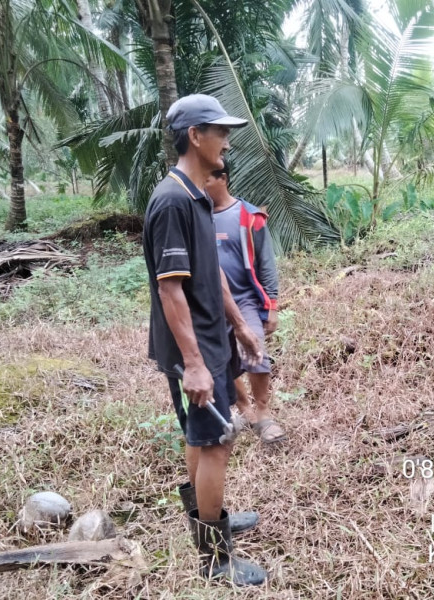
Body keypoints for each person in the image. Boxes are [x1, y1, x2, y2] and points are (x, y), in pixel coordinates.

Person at [142, 93, 267, 585]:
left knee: (202, 436)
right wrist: (194, 364)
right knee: (216, 441)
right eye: (220, 132)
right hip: (191, 346)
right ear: (195, 136)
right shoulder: (172, 199)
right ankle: (215, 557)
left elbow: (209, 274)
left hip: (210, 339)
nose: (227, 142)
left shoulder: (194, 195)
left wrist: (239, 324)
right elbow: (170, 288)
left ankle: (206, 519)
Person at [204, 163, 287, 445]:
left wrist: (272, 306)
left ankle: (263, 412)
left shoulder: (250, 217)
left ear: (223, 178)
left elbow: (266, 264)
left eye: (206, 180)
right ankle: (244, 408)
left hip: (245, 300)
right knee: (221, 360)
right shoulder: (196, 216)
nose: (201, 186)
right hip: (210, 305)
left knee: (256, 352)